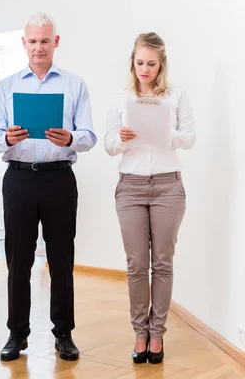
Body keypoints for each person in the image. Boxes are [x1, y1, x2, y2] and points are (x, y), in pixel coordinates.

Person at [0, 12, 97, 362]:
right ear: (23, 43)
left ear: (56, 43)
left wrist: (71, 138)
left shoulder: (74, 84)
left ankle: (63, 334)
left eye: (45, 41)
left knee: (61, 258)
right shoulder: (6, 86)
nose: (38, 47)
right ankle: (17, 334)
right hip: (18, 178)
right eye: (32, 41)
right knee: (17, 259)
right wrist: (6, 137)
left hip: (58, 177)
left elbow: (89, 136)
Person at [104, 32, 195, 364]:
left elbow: (190, 137)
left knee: (163, 263)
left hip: (168, 186)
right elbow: (109, 144)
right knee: (136, 265)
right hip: (130, 186)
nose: (145, 69)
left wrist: (163, 131)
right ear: (133, 62)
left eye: (151, 64)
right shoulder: (120, 98)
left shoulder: (176, 96)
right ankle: (139, 332)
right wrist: (124, 138)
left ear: (162, 64)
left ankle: (157, 335)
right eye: (139, 63)